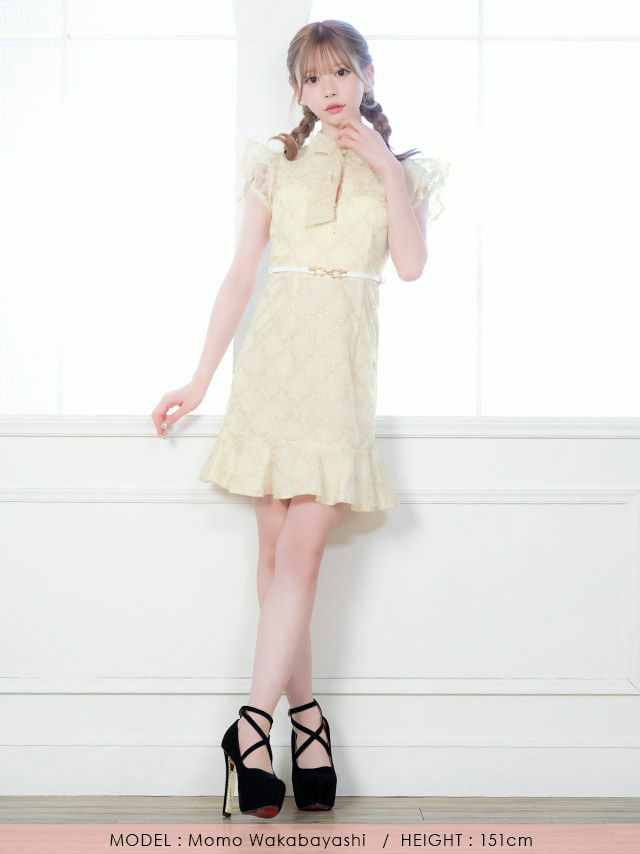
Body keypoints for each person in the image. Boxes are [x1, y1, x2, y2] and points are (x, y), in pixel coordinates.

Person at [151, 19, 449, 820]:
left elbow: (411, 266)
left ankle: (251, 726)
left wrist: (383, 165)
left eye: (341, 72)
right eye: (313, 78)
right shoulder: (274, 163)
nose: (329, 89)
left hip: (341, 374)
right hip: (273, 368)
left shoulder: (405, 171)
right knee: (280, 551)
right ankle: (307, 721)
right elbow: (239, 276)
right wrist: (200, 379)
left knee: (303, 551)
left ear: (368, 75)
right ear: (297, 90)